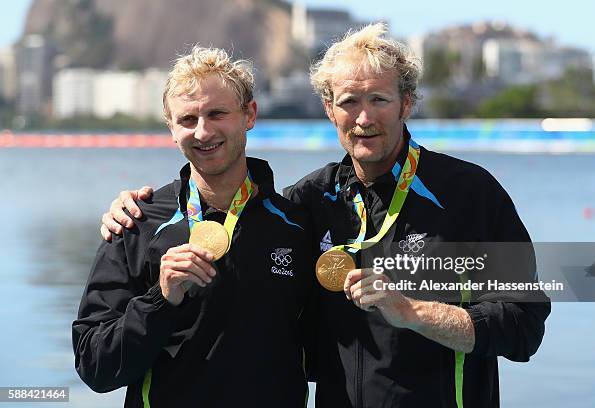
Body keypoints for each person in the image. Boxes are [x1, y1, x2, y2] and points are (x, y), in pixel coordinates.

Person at [100, 24, 550, 408]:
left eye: (380, 99)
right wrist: (137, 211)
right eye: (350, 101)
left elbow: (524, 326)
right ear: (329, 109)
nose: (364, 117)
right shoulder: (308, 202)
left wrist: (413, 312)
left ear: (407, 103)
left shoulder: (470, 194)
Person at [73, 46, 315, 407]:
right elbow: (95, 366)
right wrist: (160, 299)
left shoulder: (296, 226)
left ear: (249, 114)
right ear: (171, 126)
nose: (203, 132)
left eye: (217, 113)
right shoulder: (136, 223)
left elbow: (330, 349)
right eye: (188, 119)